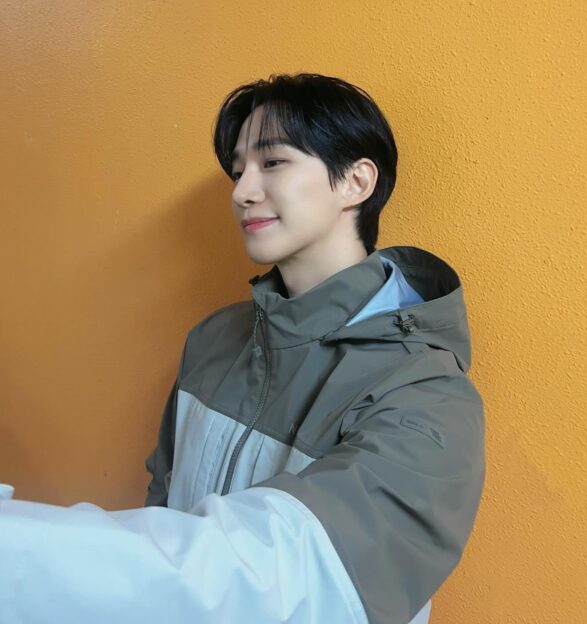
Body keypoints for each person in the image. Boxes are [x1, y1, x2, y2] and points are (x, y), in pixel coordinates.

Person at [0, 73, 485, 624]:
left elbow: (298, 577)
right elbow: (165, 504)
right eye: (238, 170)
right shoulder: (214, 339)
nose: (241, 192)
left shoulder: (426, 393)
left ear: (356, 182)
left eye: (273, 162)